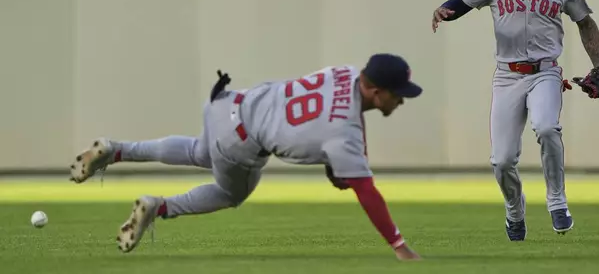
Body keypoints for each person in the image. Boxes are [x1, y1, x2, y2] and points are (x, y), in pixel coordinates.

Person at [69, 53, 423, 260]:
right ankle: (158, 206)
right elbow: (367, 193)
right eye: (398, 94)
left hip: (227, 102)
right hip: (241, 141)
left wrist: (341, 159)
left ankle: (116, 149)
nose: (402, 100)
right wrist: (399, 246)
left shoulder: (344, 72)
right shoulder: (344, 135)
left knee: (197, 150)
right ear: (375, 92)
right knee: (230, 194)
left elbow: (332, 118)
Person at [431, 0, 599, 241]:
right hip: (507, 76)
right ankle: (515, 213)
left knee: (546, 127)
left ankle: (557, 201)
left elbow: (585, 23)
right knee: (501, 160)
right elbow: (461, 3)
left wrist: (598, 64)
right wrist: (443, 10)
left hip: (545, 71)